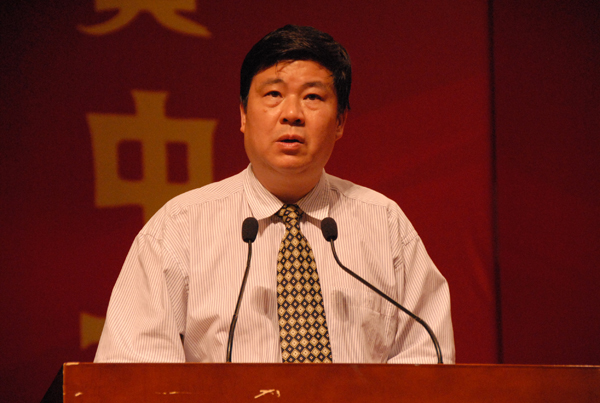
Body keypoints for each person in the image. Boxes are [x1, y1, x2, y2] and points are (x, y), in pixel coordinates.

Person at [95, 25, 455, 364]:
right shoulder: (179, 229)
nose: (292, 114)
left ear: (340, 122)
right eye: (273, 95)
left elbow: (428, 362)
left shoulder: (385, 224)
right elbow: (133, 373)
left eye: (313, 97)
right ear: (243, 114)